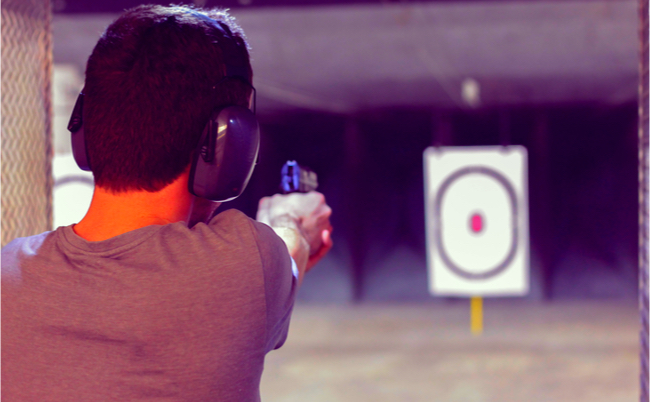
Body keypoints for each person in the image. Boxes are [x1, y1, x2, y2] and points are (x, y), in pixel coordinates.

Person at [1, 5, 332, 402]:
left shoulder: (7, 273)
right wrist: (290, 217)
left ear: (84, 129)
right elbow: (290, 247)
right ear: (231, 147)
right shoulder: (247, 262)